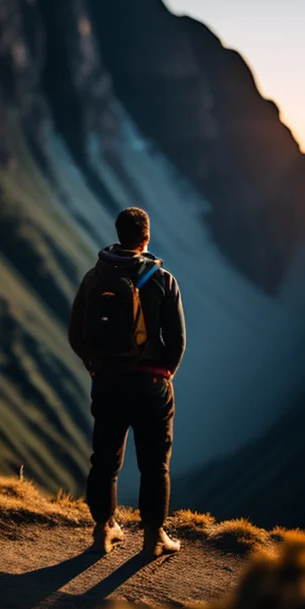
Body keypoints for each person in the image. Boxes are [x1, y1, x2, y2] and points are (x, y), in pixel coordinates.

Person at [68, 207, 186, 557]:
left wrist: (95, 367)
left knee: (104, 459)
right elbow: (177, 340)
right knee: (154, 463)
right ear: (146, 237)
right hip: (152, 385)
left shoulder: (94, 277)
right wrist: (163, 374)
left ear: (118, 234)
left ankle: (103, 532)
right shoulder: (163, 279)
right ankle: (153, 539)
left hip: (107, 381)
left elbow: (76, 334)